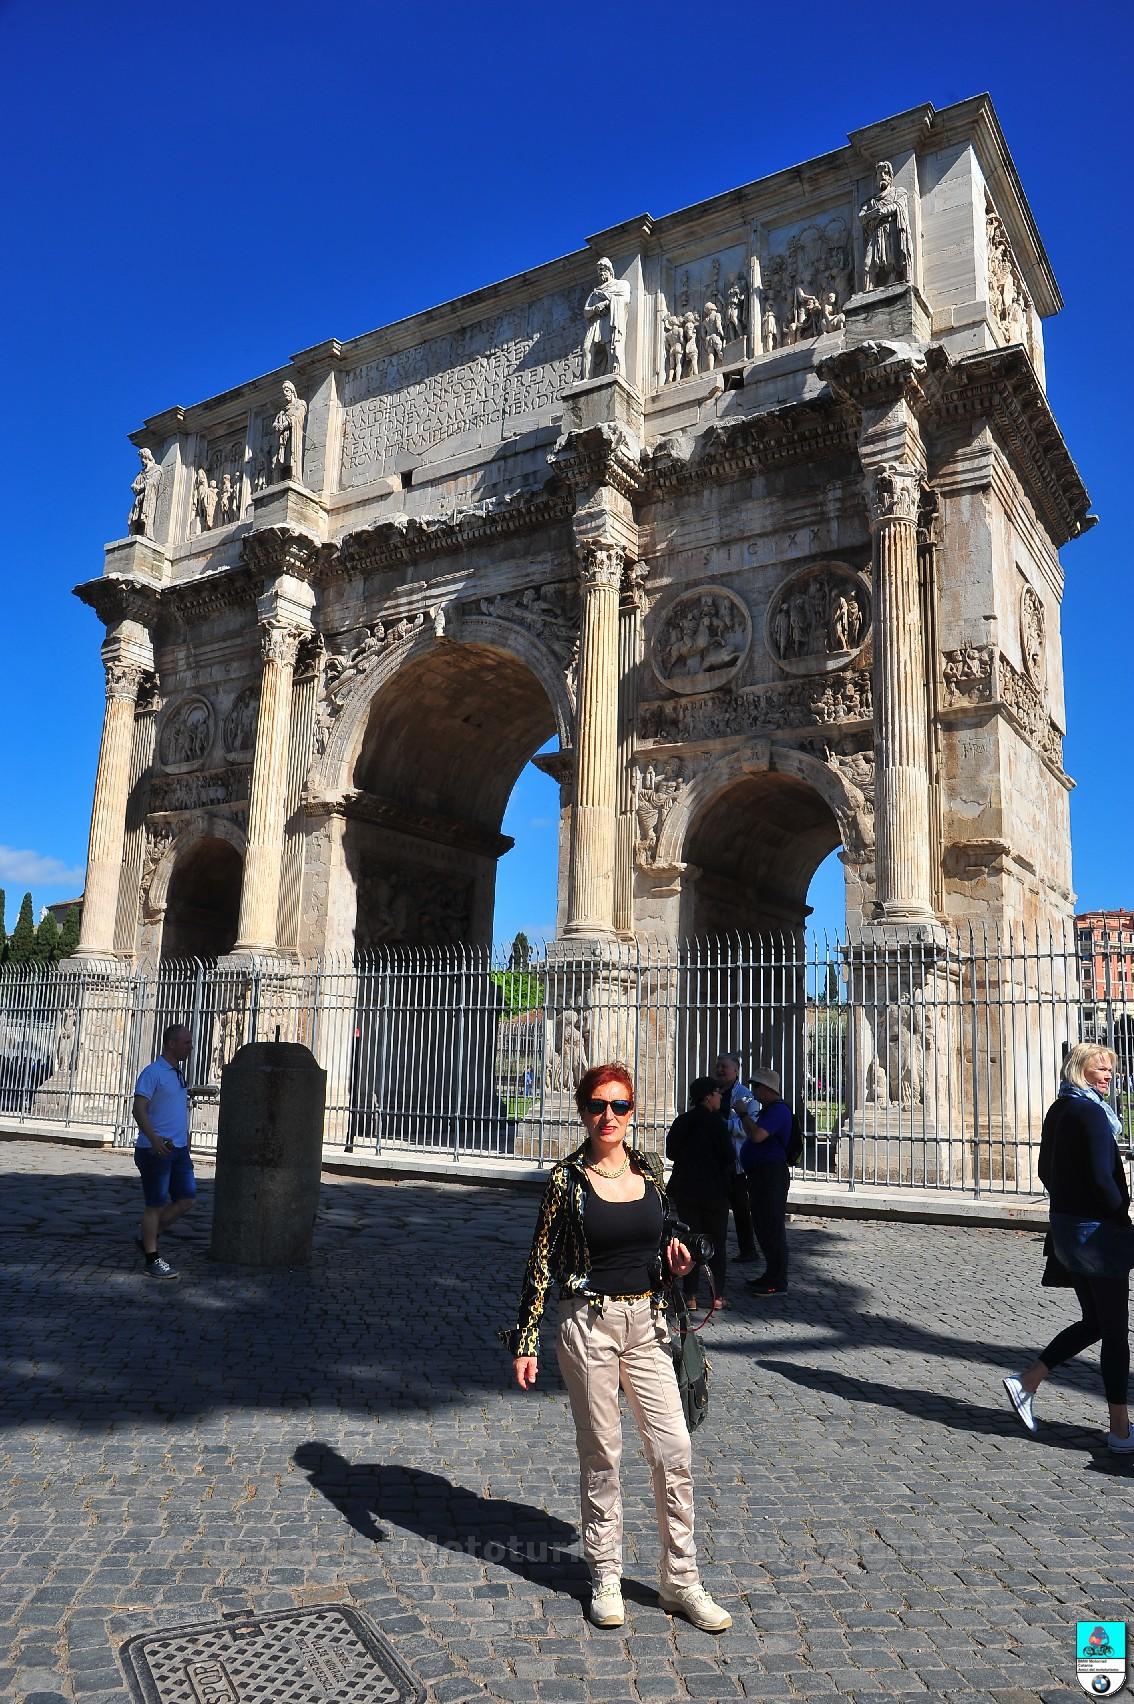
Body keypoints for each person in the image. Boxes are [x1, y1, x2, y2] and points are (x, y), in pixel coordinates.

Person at [508, 1061, 732, 1634]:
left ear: (632, 1111)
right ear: (583, 1112)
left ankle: (681, 1579)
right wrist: (526, 1339)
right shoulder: (565, 1180)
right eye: (598, 1106)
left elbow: (669, 1235)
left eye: (620, 1106)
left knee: (674, 1448)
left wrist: (679, 1257)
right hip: (588, 1324)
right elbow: (540, 1263)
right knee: (602, 1454)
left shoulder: (650, 1169)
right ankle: (606, 1574)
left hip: (648, 1323)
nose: (609, 1116)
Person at [1002, 1044, 1134, 1452]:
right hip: (1098, 1233)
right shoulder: (1091, 1113)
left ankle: (1028, 1381)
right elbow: (1102, 1178)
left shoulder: (1059, 1109)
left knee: (1095, 1322)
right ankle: (1120, 1430)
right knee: (1115, 1333)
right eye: (1100, 1068)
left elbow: (1045, 1170)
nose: (1108, 1075)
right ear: (1080, 1070)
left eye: (1111, 1068)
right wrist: (1121, 1211)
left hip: (1066, 1228)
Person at [132, 1023, 195, 1280]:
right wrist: (153, 1138)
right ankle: (151, 1258)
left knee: (187, 1199)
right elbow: (139, 1108)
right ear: (171, 1044)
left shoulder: (177, 1073)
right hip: (155, 1149)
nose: (190, 1047)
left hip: (178, 1148)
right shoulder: (153, 1072)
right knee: (155, 1205)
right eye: (186, 1042)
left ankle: (148, 1236)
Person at [666, 1076, 734, 1310]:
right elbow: (729, 1156)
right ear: (707, 1097)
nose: (720, 1096)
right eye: (717, 1092)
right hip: (714, 1192)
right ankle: (717, 1296)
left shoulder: (682, 1121)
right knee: (717, 1243)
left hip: (687, 1190)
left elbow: (671, 1152)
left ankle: (691, 1296)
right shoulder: (718, 1124)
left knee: (690, 1241)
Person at [736, 1065, 793, 1297]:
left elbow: (758, 1136)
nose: (753, 1091)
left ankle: (777, 1281)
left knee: (772, 1227)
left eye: (756, 1086)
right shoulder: (768, 1110)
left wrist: (743, 1114)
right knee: (762, 1225)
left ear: (767, 1088)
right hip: (761, 1174)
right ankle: (771, 1274)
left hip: (771, 1175)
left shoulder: (778, 1111)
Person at [714, 1052, 758, 1263]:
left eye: (724, 1066)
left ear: (736, 1070)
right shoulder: (712, 1091)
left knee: (740, 1208)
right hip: (714, 1160)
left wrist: (723, 1125)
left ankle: (748, 1250)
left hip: (736, 1161)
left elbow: (748, 1126)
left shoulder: (745, 1095)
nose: (720, 1070)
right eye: (718, 1066)